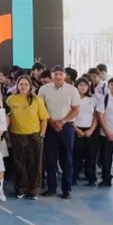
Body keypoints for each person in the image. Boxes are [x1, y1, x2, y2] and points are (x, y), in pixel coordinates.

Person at [37, 66, 81, 199]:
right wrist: (51, 122)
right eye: (55, 74)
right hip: (50, 127)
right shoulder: (43, 89)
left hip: (66, 127)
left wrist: (62, 121)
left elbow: (76, 109)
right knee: (50, 159)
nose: (58, 76)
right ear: (51, 75)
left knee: (67, 159)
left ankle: (66, 189)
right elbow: (41, 108)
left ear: (65, 76)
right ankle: (52, 187)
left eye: (60, 74)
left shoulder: (72, 89)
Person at [6, 75, 48, 200]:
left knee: (34, 164)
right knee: (19, 164)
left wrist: (42, 134)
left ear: (30, 86)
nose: (23, 86)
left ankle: (34, 190)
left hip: (34, 136)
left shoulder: (37, 100)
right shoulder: (11, 99)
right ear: (17, 86)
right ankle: (21, 189)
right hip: (16, 135)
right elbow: (7, 117)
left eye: (26, 84)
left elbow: (44, 118)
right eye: (21, 84)